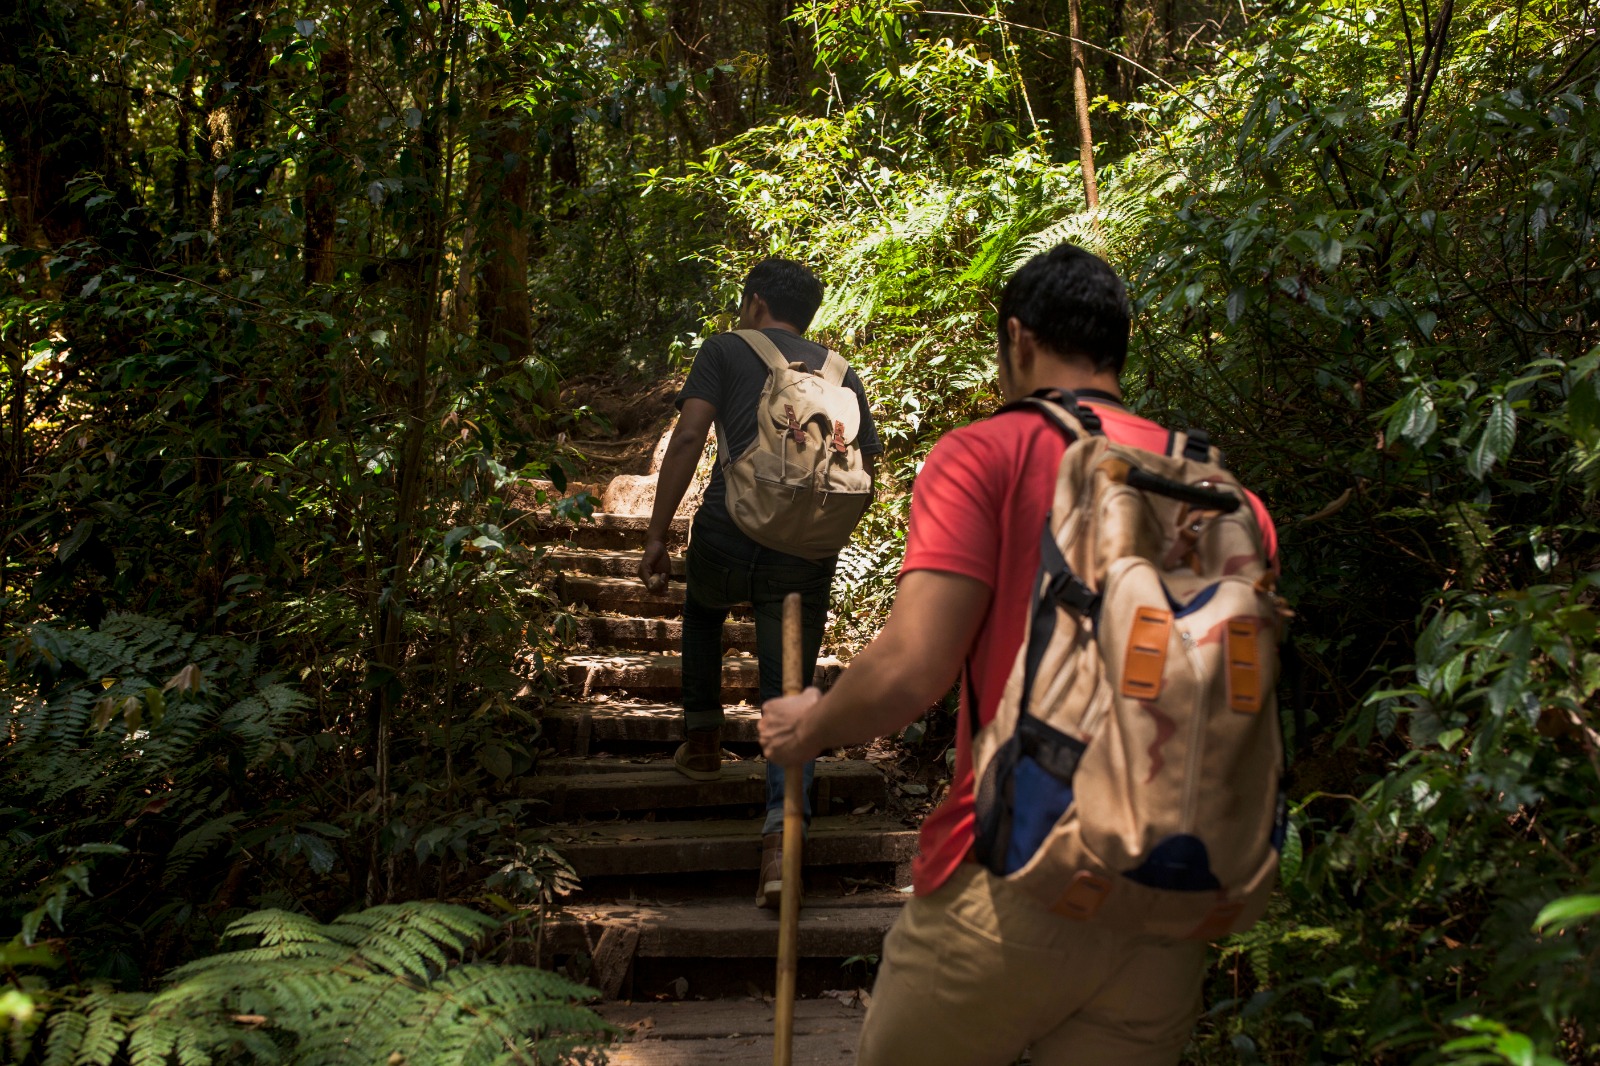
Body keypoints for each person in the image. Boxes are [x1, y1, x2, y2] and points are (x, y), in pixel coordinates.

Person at [759, 243, 1279, 1065]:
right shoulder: (1220, 494)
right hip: (1170, 901)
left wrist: (811, 726)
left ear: (1018, 341)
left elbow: (912, 668)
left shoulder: (987, 452)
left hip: (1015, 873)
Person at [638, 257, 882, 908]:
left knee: (701, 610)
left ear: (753, 305)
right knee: (787, 685)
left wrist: (658, 536)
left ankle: (703, 739)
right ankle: (782, 843)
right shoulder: (839, 372)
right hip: (803, 549)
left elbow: (691, 434)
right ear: (808, 314)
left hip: (729, 527)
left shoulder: (725, 348)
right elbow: (867, 467)